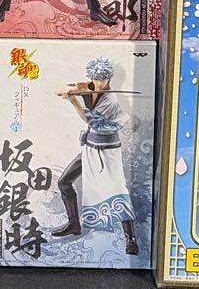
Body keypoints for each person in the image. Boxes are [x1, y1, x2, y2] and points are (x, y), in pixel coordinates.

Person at [50, 57, 139, 254]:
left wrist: (74, 101)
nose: (99, 83)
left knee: (118, 191)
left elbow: (92, 122)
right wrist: (69, 91)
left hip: (107, 151)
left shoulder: (110, 99)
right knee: (64, 182)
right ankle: (74, 224)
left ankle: (131, 239)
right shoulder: (89, 86)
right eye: (96, 78)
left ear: (109, 79)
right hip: (89, 147)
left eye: (102, 79)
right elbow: (58, 88)